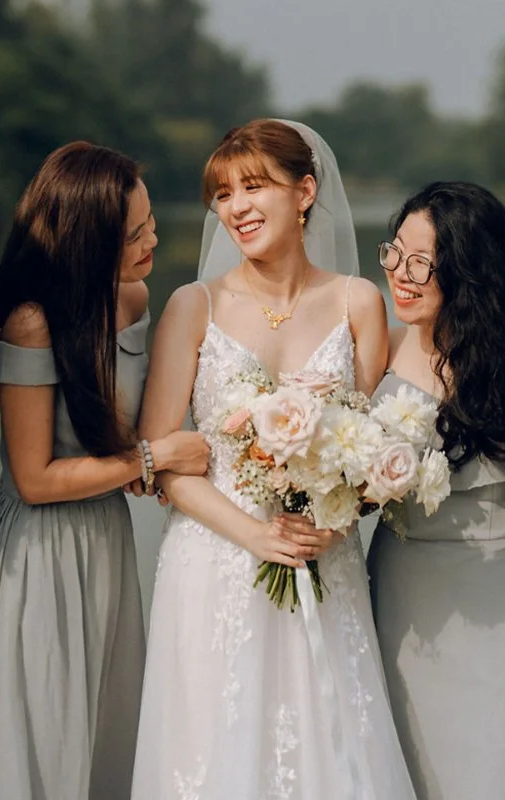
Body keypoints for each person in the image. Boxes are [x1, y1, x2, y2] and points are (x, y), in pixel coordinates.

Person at [130, 119, 415, 799]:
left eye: (254, 187)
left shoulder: (358, 302)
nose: (237, 208)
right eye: (224, 194)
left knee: (329, 747)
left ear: (305, 192)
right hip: (215, 561)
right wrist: (255, 536)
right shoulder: (193, 306)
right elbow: (166, 463)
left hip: (322, 559)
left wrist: (334, 527)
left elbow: (366, 452)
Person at [0, 141, 208, 800]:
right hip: (39, 555)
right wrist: (152, 459)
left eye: (151, 223)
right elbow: (35, 479)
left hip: (106, 538)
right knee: (46, 745)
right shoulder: (32, 323)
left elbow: (131, 428)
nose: (152, 241)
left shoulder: (132, 299)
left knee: (107, 739)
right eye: (134, 235)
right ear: (86, 239)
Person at [367, 181, 505, 799]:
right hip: (407, 602)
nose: (400, 275)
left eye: (421, 263)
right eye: (394, 253)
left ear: (471, 272)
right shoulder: (377, 345)